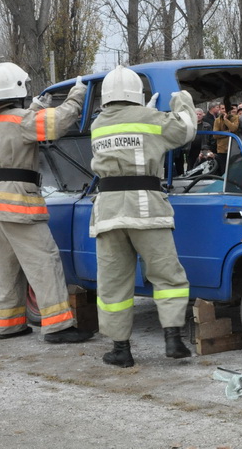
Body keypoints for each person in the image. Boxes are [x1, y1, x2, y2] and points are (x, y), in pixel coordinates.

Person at [0, 62, 93, 342]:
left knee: (7, 267)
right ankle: (58, 327)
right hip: (17, 200)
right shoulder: (21, 120)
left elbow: (20, 128)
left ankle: (9, 324)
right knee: (44, 261)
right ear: (18, 88)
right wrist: (77, 96)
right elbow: (59, 122)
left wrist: (36, 107)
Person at [89, 65, 197, 368]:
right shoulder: (150, 118)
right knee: (167, 274)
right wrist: (181, 99)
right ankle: (173, 339)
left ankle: (120, 349)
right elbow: (186, 129)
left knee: (114, 282)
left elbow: (126, 136)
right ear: (137, 93)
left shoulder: (98, 124)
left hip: (108, 211)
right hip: (146, 209)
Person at [213, 102, 240, 174]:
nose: (224, 110)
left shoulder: (235, 118)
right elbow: (215, 135)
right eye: (222, 108)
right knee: (223, 170)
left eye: (226, 108)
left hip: (233, 149)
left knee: (233, 170)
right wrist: (228, 132)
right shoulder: (217, 120)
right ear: (220, 109)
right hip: (221, 149)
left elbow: (233, 128)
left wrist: (226, 120)